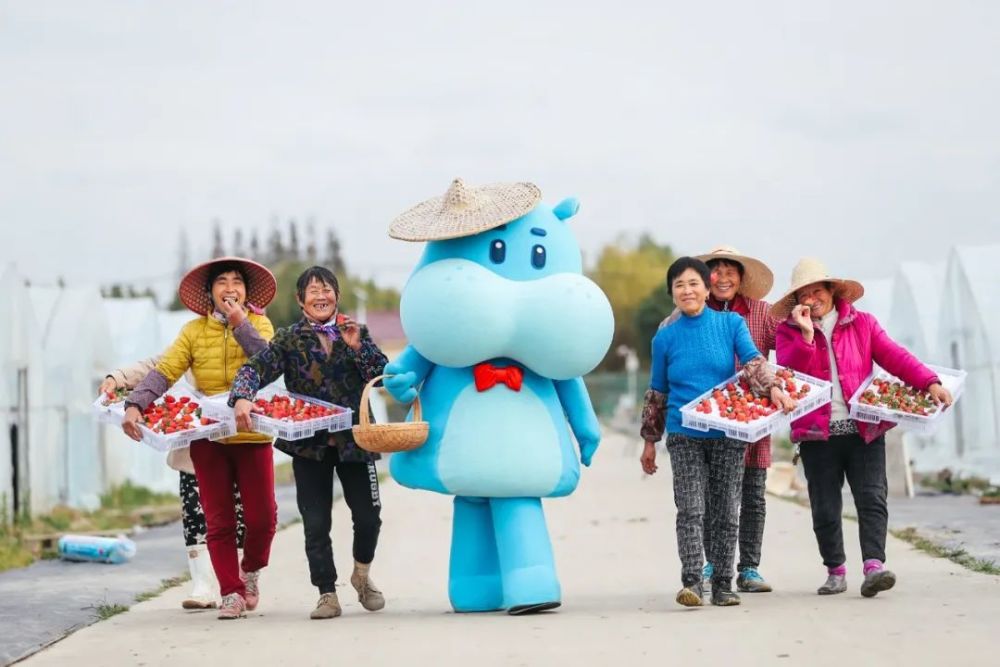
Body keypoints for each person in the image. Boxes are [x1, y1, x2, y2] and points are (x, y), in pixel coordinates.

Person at [772, 258, 953, 598]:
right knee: (825, 507)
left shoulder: (863, 323)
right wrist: (807, 335)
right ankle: (835, 571)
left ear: (831, 291)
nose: (812, 299)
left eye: (818, 291)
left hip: (864, 430)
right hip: (817, 434)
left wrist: (929, 382)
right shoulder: (788, 332)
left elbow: (895, 356)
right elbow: (791, 374)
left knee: (871, 497)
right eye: (804, 294)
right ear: (796, 301)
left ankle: (874, 567)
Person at [229, 266, 389, 620]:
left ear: (337, 296)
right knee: (316, 523)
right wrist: (241, 397)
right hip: (307, 445)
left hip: (355, 440)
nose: (321, 295)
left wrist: (358, 347)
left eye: (327, 289)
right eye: (313, 290)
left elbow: (381, 376)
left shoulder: (355, 331)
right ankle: (327, 593)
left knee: (369, 517)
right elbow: (254, 369)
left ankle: (362, 575)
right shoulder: (289, 339)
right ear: (300, 300)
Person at [123, 257, 277, 619]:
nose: (230, 288)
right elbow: (165, 371)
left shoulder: (260, 324)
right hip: (208, 436)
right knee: (218, 520)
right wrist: (135, 404)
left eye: (237, 281)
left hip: (251, 433)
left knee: (262, 519)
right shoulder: (192, 332)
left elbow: (268, 364)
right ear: (210, 292)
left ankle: (250, 571)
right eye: (222, 281)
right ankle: (231, 593)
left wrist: (240, 324)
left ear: (246, 292)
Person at [640, 257, 796, 607]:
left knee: (726, 509)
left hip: (727, 432)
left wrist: (773, 388)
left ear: (707, 288)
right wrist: (649, 440)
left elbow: (753, 362)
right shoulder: (664, 338)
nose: (687, 291)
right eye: (679, 285)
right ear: (672, 293)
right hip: (683, 434)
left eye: (693, 283)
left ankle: (724, 584)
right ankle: (693, 582)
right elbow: (657, 392)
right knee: (690, 508)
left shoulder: (731, 323)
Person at [100, 359, 247, 610]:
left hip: (238, 444)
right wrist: (118, 377)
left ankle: (236, 584)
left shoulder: (246, 344)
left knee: (238, 517)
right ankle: (203, 585)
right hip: (194, 449)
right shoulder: (191, 343)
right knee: (195, 515)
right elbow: (157, 366)